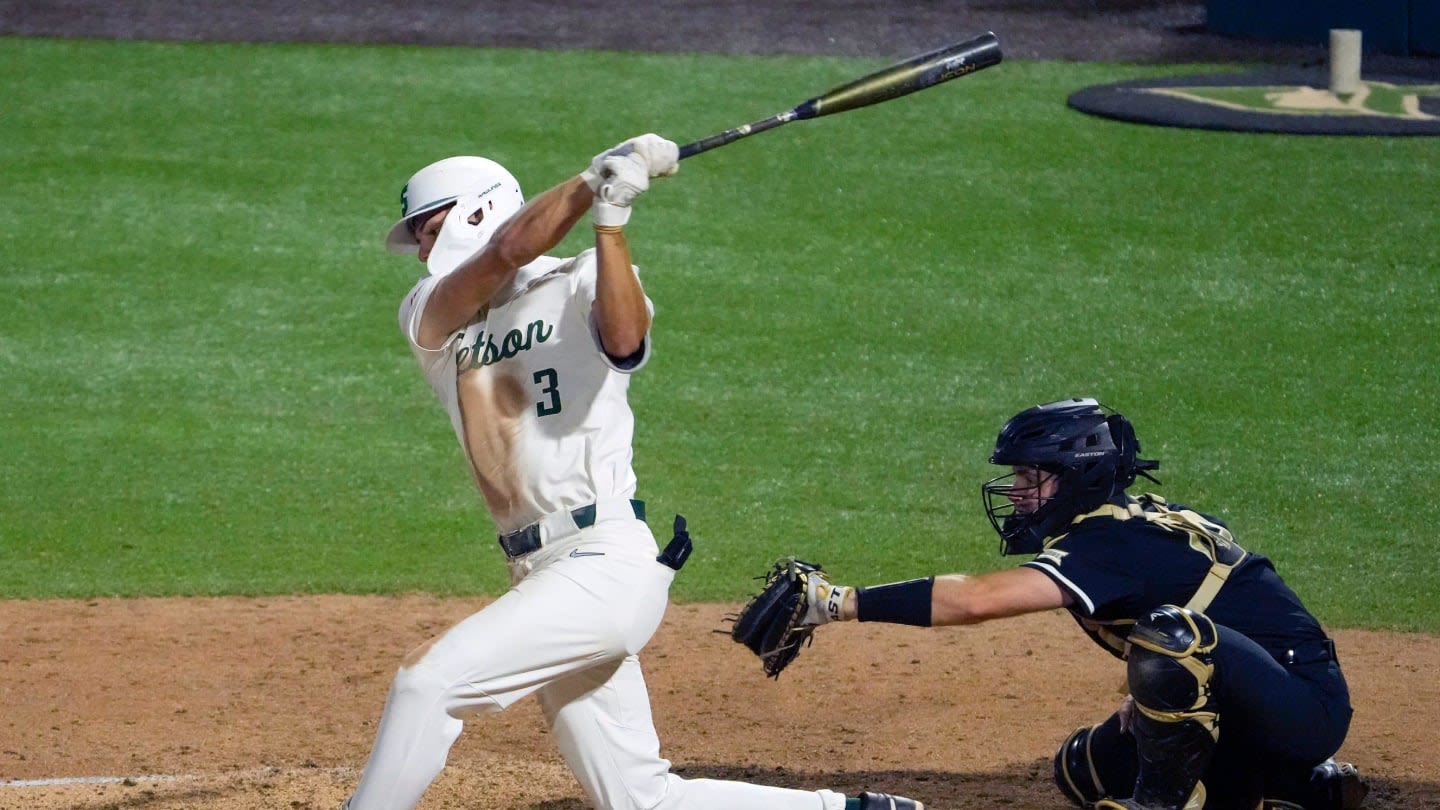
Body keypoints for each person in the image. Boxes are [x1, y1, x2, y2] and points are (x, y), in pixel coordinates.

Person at [342, 134, 925, 810]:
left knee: (427, 682)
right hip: (536, 572)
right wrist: (592, 181)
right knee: (639, 800)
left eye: (431, 229)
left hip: (603, 561)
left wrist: (611, 221)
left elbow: (624, 342)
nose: (420, 250)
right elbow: (507, 250)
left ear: (478, 210)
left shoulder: (584, 275)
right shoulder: (431, 314)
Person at [795, 398, 1367, 810]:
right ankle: (1301, 788)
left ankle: (1168, 804)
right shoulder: (1122, 524)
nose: (1016, 491)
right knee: (1085, 769)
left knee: (1172, 638)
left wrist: (839, 602)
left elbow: (974, 600)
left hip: (1301, 703)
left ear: (1078, 476)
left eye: (1030, 476)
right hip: (1256, 693)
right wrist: (1150, 697)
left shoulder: (1110, 541)